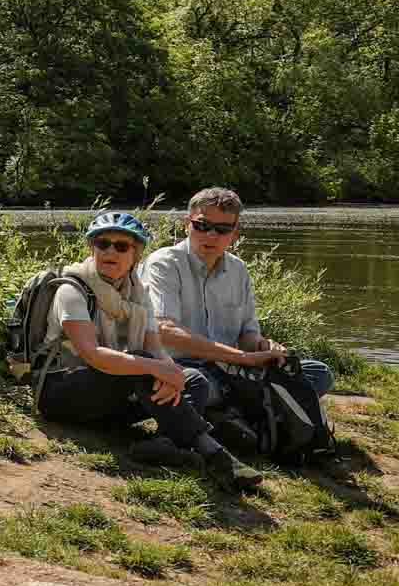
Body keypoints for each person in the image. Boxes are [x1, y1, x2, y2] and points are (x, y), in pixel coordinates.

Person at [33, 210, 262, 488]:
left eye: (121, 246)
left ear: (136, 255)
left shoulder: (138, 294)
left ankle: (163, 444)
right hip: (61, 394)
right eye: (102, 244)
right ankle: (215, 453)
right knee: (143, 363)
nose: (110, 251)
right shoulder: (72, 290)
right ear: (92, 248)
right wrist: (155, 368)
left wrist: (172, 374)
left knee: (193, 378)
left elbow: (156, 349)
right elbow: (92, 354)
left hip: (108, 396)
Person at [140, 187, 334, 452]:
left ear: (235, 233)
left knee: (318, 373)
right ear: (186, 224)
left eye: (222, 229)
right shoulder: (164, 263)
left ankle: (229, 414)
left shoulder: (238, 269)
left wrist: (264, 346)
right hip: (183, 367)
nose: (211, 235)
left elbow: (247, 334)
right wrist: (242, 358)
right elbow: (164, 330)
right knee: (195, 383)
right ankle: (239, 413)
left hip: (231, 371)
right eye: (202, 225)